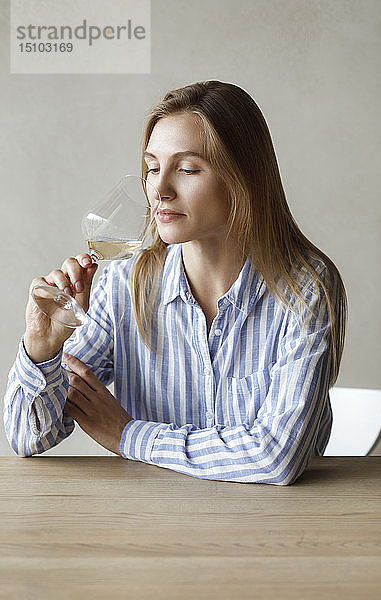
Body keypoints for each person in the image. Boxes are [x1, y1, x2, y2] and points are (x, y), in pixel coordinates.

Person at [3, 80, 347, 485]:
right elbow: (27, 438)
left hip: (272, 530)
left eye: (186, 169)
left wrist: (128, 435)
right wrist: (42, 351)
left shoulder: (305, 291)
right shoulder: (120, 287)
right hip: (152, 530)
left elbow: (276, 458)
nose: (160, 189)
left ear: (243, 178)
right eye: (152, 168)